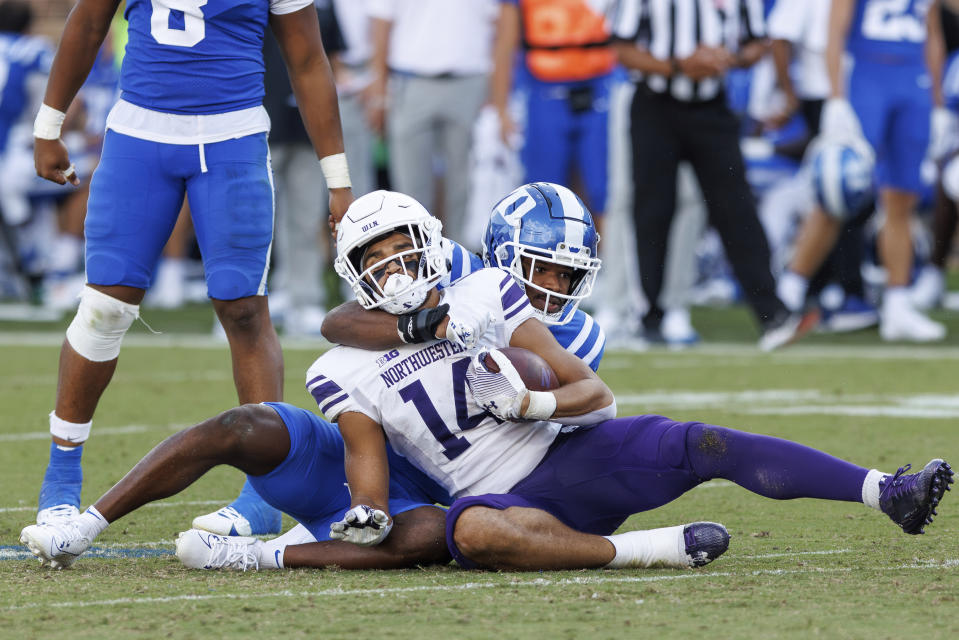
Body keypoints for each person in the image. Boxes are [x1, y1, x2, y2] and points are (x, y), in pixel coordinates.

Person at [22, 186, 709, 572]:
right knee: (245, 425)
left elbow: (554, 428)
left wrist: (522, 393)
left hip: (443, 484)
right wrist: (427, 329)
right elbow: (339, 332)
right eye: (539, 266)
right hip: (371, 451)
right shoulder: (422, 287)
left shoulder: (553, 328)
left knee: (432, 537)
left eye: (564, 273)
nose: (550, 285)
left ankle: (263, 552)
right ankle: (85, 524)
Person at [31, 0, 354, 537]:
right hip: (139, 130)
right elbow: (87, 22)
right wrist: (49, 123)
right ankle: (60, 478)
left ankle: (262, 494)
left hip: (232, 136)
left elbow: (307, 58)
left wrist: (338, 180)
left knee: (244, 309)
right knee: (104, 309)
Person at [610, 0, 816, 351]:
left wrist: (727, 59)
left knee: (736, 208)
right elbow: (622, 49)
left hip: (712, 108)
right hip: (655, 105)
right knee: (653, 211)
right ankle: (648, 317)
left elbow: (757, 42)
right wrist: (679, 66)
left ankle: (773, 315)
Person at [776, 0, 947, 343]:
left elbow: (933, 34)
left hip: (911, 81)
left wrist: (938, 102)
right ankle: (787, 292)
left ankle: (897, 303)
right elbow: (835, 31)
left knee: (902, 198)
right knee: (836, 190)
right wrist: (836, 97)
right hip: (867, 77)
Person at [490, 0, 617, 238]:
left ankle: (604, 261)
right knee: (545, 191)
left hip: (602, 86)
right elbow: (505, 42)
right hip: (544, 91)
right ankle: (545, 260)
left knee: (604, 185)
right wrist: (501, 108)